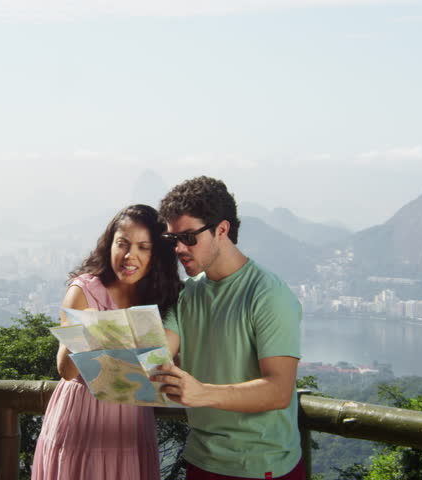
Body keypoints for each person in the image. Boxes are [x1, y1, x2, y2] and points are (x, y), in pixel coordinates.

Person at [152, 176, 305, 480]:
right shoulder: (185, 294)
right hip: (200, 459)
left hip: (262, 465)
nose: (179, 248)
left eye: (189, 237)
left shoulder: (268, 294)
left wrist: (201, 392)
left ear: (221, 230)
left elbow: (279, 391)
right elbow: (159, 353)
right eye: (173, 240)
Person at [31, 204, 182, 480]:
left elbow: (168, 366)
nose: (129, 255)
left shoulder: (162, 298)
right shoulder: (84, 290)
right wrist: (91, 331)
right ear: (109, 245)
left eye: (142, 247)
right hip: (81, 416)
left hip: (132, 420)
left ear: (156, 253)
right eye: (122, 244)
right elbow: (66, 370)